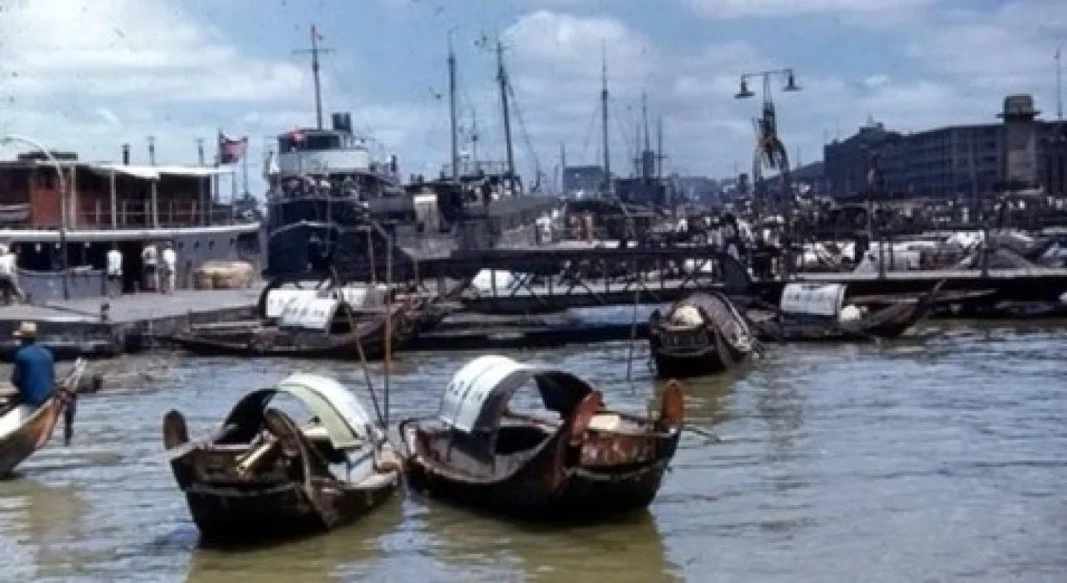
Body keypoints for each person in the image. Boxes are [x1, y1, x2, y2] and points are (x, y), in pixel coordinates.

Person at [10, 321, 55, 408]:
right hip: (47, 398)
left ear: (22, 339)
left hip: (30, 400)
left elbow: (15, 380)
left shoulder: (21, 354)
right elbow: (52, 377)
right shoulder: (48, 353)